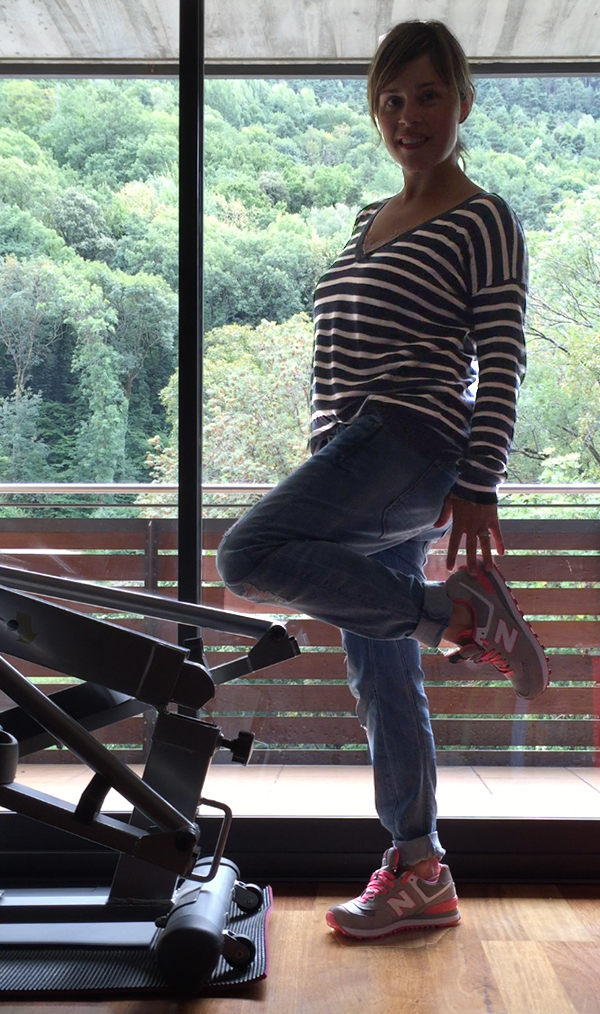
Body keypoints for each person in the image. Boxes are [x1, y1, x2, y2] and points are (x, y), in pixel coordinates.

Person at [217, 20, 549, 939]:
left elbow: (502, 356)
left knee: (246, 555)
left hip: (409, 438)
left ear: (463, 101)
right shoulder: (369, 219)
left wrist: (480, 482)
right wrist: (323, 457)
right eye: (392, 100)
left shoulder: (483, 218)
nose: (409, 116)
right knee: (383, 673)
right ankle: (420, 868)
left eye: (428, 96)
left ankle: (460, 617)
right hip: (354, 450)